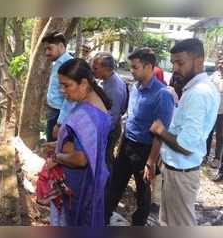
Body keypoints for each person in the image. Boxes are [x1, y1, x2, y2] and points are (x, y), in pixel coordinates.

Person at [150, 38, 220, 226]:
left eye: (180, 63)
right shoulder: (196, 89)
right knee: (168, 223)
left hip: (181, 173)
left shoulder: (198, 93)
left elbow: (186, 145)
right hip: (177, 171)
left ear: (198, 62)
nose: (174, 68)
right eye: (173, 63)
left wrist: (160, 131)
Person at [107, 47, 175, 226]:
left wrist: (151, 162)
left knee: (143, 193)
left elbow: (160, 132)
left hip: (145, 150)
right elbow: (130, 119)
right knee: (114, 185)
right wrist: (122, 143)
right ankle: (103, 218)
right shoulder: (135, 88)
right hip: (127, 145)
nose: (131, 70)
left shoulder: (162, 94)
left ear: (148, 66)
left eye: (135, 67)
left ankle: (138, 225)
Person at [43, 58, 112, 227]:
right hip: (89, 179)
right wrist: (57, 143)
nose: (62, 90)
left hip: (80, 183)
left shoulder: (88, 114)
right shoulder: (94, 103)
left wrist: (57, 157)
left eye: (66, 85)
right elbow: (85, 143)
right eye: (61, 85)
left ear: (83, 83)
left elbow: (81, 159)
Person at [91, 52, 128, 170]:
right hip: (103, 127)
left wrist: (98, 133)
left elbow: (111, 118)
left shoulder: (114, 89)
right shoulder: (105, 79)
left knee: (106, 160)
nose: (92, 70)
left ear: (106, 69)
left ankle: (107, 185)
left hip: (108, 131)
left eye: (95, 68)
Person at [42, 32, 73, 142]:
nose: (47, 53)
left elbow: (70, 97)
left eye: (49, 48)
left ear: (60, 46)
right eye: (45, 49)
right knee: (51, 143)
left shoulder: (68, 64)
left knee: (56, 145)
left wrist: (59, 123)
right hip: (54, 111)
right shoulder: (58, 63)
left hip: (59, 113)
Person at [206, 52, 223, 175]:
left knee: (220, 137)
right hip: (211, 111)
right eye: (220, 63)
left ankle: (217, 159)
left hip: (222, 113)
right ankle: (205, 155)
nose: (220, 65)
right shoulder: (214, 75)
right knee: (208, 133)